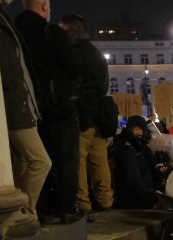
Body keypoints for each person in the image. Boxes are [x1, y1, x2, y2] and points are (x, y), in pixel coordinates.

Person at [16, 0, 83, 223]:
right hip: (59, 106)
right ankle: (67, 208)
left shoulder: (14, 27)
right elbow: (73, 67)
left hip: (30, 106)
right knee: (66, 159)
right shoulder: (49, 30)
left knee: (39, 159)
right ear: (44, 7)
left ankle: (44, 208)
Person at [0, 0, 49, 225]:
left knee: (21, 164)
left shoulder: (2, 17)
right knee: (41, 161)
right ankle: (24, 212)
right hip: (14, 105)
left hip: (20, 102)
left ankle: (15, 216)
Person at [59, 13, 113, 213]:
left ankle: (82, 204)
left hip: (82, 116)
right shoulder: (96, 53)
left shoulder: (73, 54)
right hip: (99, 116)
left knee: (78, 161)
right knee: (99, 162)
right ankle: (105, 201)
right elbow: (102, 86)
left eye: (62, 30)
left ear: (72, 30)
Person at [111, 116, 162, 209]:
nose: (145, 133)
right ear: (136, 130)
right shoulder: (127, 148)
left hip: (140, 199)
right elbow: (133, 179)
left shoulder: (138, 146)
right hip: (134, 203)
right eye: (143, 130)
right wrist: (148, 199)